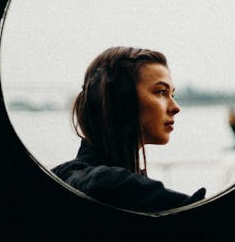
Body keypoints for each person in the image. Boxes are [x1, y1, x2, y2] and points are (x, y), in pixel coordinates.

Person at [52, 46, 206, 211]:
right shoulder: (112, 185)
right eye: (161, 92)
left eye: (172, 95)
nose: (176, 107)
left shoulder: (64, 175)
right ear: (120, 101)